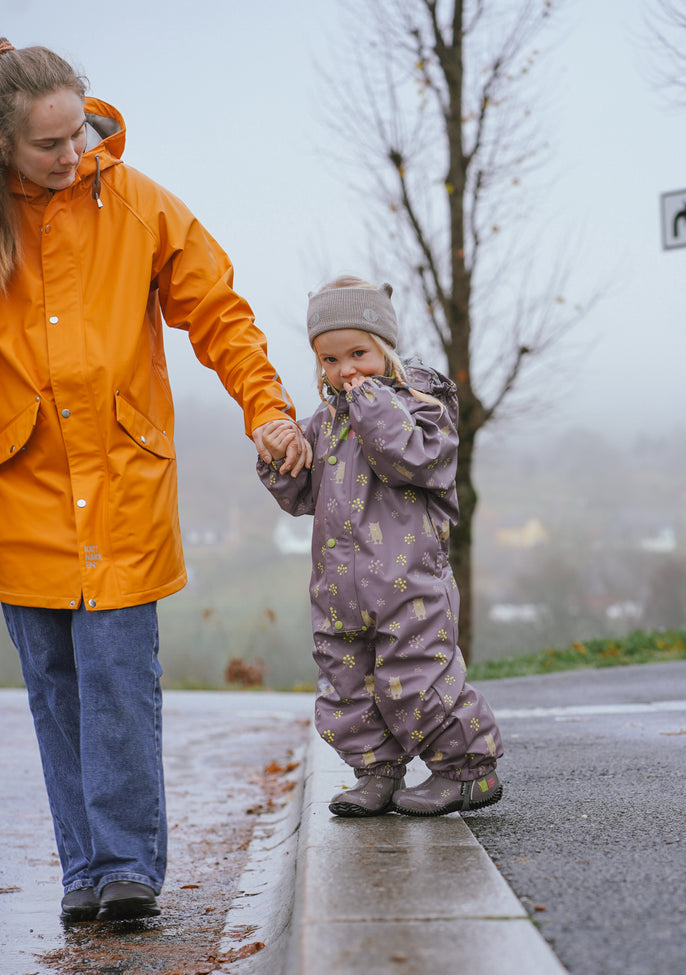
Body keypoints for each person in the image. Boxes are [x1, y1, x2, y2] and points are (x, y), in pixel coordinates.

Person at [0, 39, 310, 923]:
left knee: (118, 686)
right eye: (49, 145)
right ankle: (82, 873)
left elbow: (219, 311)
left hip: (123, 483)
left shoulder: (136, 203)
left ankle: (128, 868)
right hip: (18, 490)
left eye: (81, 133)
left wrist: (269, 411)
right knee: (57, 696)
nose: (74, 155)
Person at [256, 276, 504, 817]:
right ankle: (376, 771)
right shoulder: (325, 423)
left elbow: (411, 458)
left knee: (418, 677)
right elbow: (299, 495)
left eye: (359, 354)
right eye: (329, 359)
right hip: (338, 590)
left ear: (386, 349)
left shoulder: (423, 407)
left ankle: (467, 772)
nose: (345, 370)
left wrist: (372, 403)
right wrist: (280, 453)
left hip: (408, 585)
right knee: (347, 685)